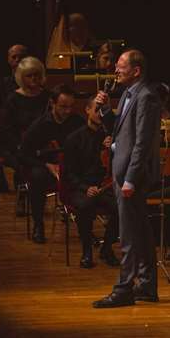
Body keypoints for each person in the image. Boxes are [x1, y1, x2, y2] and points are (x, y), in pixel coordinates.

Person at [92, 49, 162, 308]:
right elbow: (117, 131)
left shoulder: (146, 97)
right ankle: (146, 285)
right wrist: (105, 110)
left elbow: (142, 143)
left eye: (121, 66)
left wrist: (131, 179)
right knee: (140, 231)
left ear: (136, 70)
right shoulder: (127, 94)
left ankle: (124, 288)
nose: (116, 70)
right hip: (123, 172)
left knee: (129, 234)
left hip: (133, 176)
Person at [20, 84, 84, 243]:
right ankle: (38, 225)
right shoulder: (39, 125)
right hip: (45, 168)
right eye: (63, 107)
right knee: (36, 177)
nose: (68, 111)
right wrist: (47, 165)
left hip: (71, 169)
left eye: (71, 107)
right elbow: (23, 154)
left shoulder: (77, 122)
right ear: (52, 103)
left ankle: (85, 228)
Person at [63, 96, 120, 268]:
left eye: (103, 111)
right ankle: (87, 250)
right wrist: (85, 188)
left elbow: (115, 166)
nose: (100, 114)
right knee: (85, 205)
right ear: (87, 110)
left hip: (103, 186)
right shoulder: (74, 139)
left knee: (122, 205)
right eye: (96, 110)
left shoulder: (110, 137)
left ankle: (107, 247)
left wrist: (112, 149)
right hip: (80, 187)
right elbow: (68, 173)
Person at [0, 56, 51, 215]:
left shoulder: (46, 97)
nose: (34, 79)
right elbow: (6, 130)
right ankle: (23, 197)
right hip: (15, 145)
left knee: (45, 162)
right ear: (21, 77)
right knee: (25, 162)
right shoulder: (13, 99)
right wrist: (20, 145)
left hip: (41, 145)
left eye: (37, 75)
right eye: (29, 75)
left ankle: (38, 198)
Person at [0, 44, 29, 193]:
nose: (17, 60)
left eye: (21, 57)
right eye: (14, 57)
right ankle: (1, 180)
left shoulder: (32, 83)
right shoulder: (1, 84)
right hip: (5, 127)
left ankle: (22, 181)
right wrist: (3, 121)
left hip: (25, 128)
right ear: (8, 60)